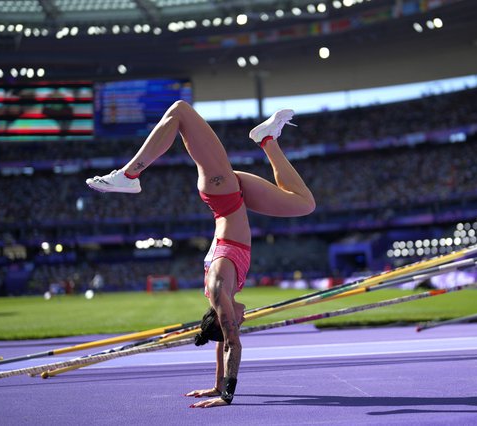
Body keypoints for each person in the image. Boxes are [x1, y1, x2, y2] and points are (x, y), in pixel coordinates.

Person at [86, 101, 315, 408]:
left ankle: (128, 176)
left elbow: (231, 342)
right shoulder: (220, 296)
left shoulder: (221, 289)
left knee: (180, 111)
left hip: (223, 193)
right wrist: (215, 384)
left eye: (236, 321)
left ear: (225, 317)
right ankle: (267, 140)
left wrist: (226, 395)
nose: (243, 319)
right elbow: (223, 341)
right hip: (234, 194)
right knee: (303, 204)